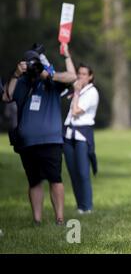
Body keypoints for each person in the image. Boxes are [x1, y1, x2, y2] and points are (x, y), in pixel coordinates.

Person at [1, 43, 77, 225]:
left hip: (51, 140)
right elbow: (6, 97)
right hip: (28, 142)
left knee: (55, 179)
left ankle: (59, 219)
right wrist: (16, 74)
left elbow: (72, 77)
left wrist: (49, 73)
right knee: (34, 181)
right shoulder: (21, 83)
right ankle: (37, 220)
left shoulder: (51, 81)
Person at [63, 63, 99, 214]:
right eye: (79, 73)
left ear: (90, 77)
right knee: (72, 172)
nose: (80, 76)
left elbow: (76, 111)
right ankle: (80, 206)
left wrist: (76, 93)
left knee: (83, 172)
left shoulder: (91, 92)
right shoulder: (78, 90)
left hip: (82, 135)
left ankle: (87, 206)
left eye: (84, 74)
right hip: (68, 134)